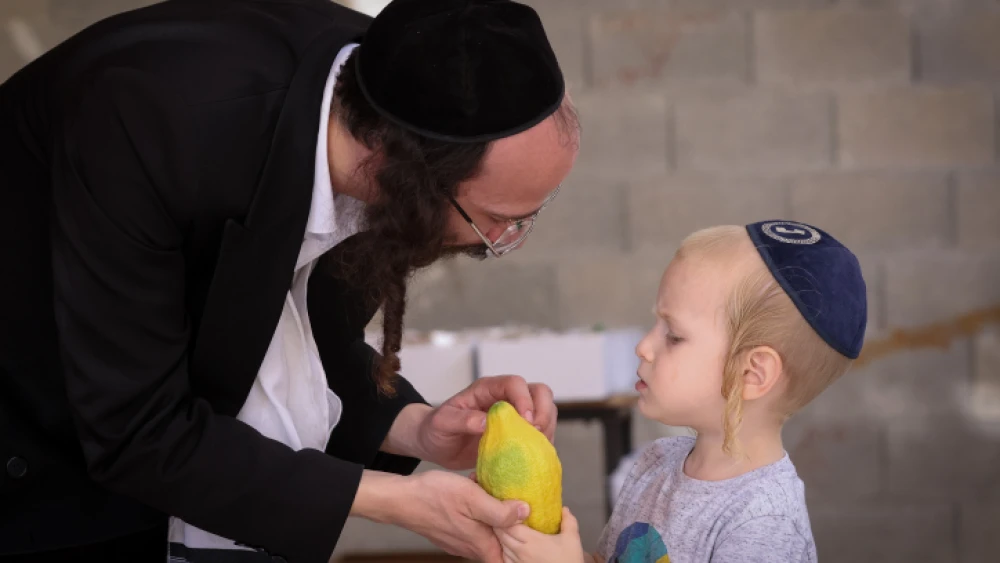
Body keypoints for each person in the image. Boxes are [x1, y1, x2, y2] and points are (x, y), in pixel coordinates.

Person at [0, 0, 580, 561]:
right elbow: (137, 428)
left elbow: (284, 337)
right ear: (407, 173)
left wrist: (418, 428)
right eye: (498, 219)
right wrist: (392, 502)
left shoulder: (397, 96)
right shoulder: (149, 122)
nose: (498, 242)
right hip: (32, 442)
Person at [493, 220, 867, 563]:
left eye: (673, 336)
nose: (644, 346)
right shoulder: (655, 463)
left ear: (750, 373)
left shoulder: (763, 522)